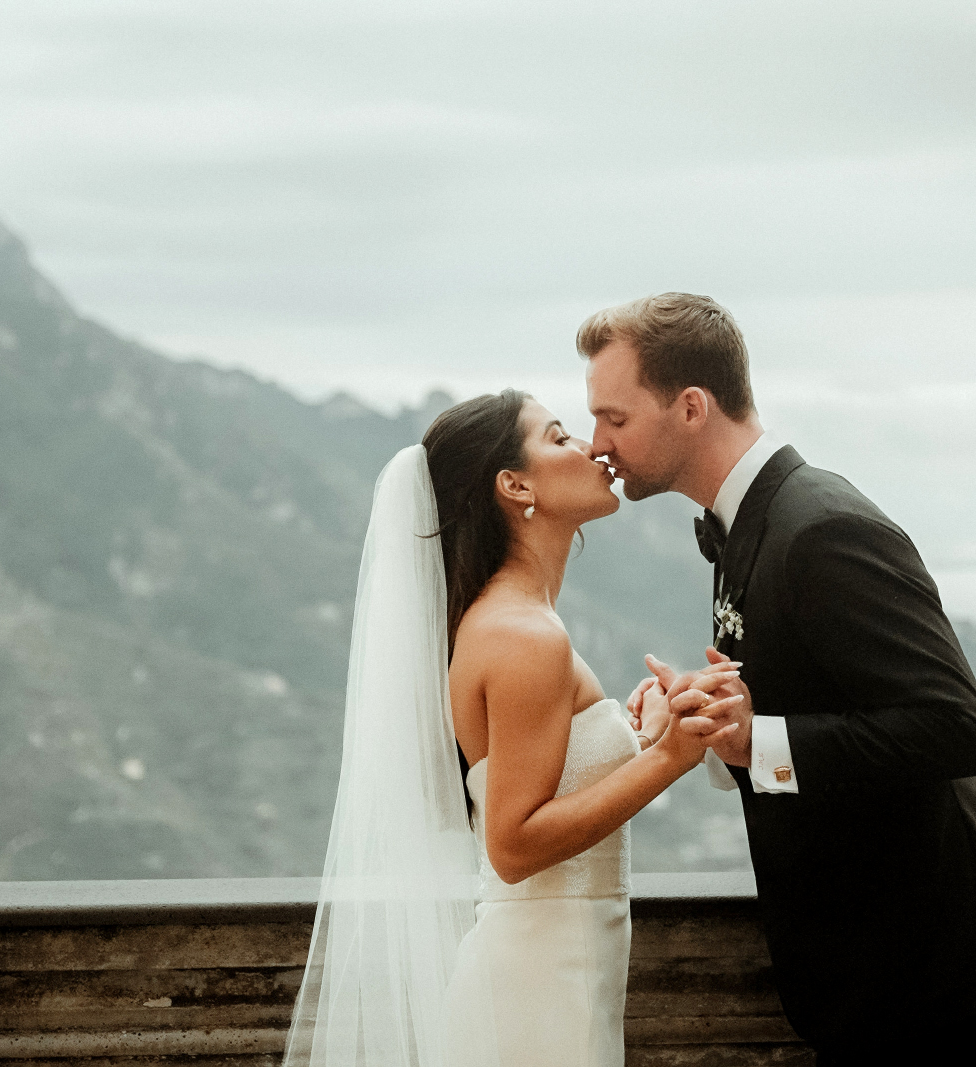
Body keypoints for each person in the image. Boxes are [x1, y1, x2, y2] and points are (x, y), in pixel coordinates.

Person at [582, 293, 976, 1066]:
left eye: (616, 417)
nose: (598, 442)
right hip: (872, 977)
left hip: (932, 983)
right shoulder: (748, 526)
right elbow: (802, 696)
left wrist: (757, 738)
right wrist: (706, 717)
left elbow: (955, 726)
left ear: (692, 406)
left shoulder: (824, 527)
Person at [284, 390, 741, 1067]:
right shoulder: (523, 634)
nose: (591, 446)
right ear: (515, 484)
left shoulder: (516, 622)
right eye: (559, 437)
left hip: (560, 972)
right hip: (539, 985)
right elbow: (514, 843)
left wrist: (637, 737)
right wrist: (670, 759)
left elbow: (539, 781)